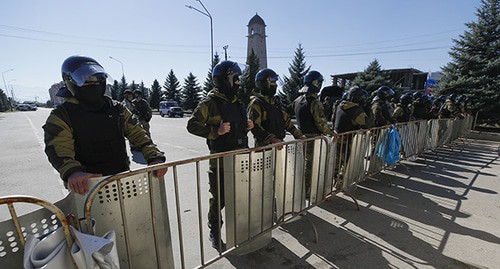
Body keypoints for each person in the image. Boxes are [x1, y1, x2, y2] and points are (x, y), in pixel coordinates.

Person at [43, 55, 167, 196]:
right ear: (70, 81)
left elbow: (138, 134)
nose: (94, 83)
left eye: (97, 78)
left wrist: (154, 157)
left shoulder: (117, 109)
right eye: (86, 79)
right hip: (87, 187)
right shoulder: (62, 115)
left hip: (122, 180)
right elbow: (59, 147)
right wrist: (72, 171)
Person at [186, 60, 254, 250]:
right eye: (235, 78)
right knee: (219, 200)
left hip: (241, 160)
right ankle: (214, 232)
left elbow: (237, 132)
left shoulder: (239, 104)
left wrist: (247, 127)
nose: (239, 82)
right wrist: (216, 130)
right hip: (221, 162)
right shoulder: (210, 103)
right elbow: (192, 125)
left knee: (241, 197)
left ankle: (241, 230)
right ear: (225, 80)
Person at [293, 70, 334, 199]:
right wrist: (332, 133)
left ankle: (300, 190)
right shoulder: (315, 102)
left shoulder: (297, 100)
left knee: (301, 165)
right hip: (313, 139)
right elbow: (321, 123)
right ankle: (306, 192)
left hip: (301, 136)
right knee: (309, 167)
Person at [247, 68, 304, 148]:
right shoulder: (257, 103)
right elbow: (255, 127)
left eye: (275, 82)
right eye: (273, 82)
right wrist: (272, 139)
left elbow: (286, 121)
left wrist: (298, 135)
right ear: (263, 83)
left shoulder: (276, 102)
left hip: (279, 144)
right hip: (264, 147)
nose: (276, 85)